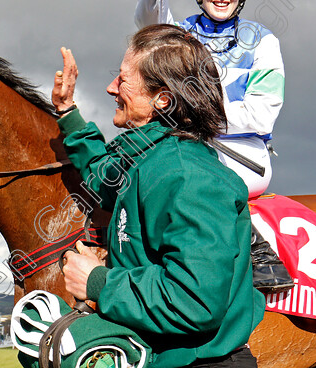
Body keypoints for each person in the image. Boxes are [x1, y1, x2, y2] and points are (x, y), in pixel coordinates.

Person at [54, 25, 266, 368]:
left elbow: (193, 300)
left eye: (122, 80)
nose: (111, 88)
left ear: (162, 99)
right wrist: (68, 112)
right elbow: (100, 174)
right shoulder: (146, 158)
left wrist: (98, 281)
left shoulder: (189, 176)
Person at [134, 0, 292, 291]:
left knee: (189, 169)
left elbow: (262, 111)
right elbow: (147, 22)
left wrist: (195, 119)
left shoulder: (264, 41)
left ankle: (256, 249)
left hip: (241, 155)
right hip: (183, 148)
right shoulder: (182, 33)